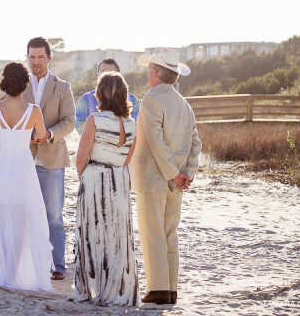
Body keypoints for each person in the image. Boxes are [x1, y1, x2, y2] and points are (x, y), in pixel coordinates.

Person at [130, 48, 202, 305]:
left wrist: (173, 174)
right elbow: (196, 143)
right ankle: (170, 289)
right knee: (170, 234)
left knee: (153, 234)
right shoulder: (185, 104)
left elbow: (156, 142)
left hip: (154, 178)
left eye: (149, 69)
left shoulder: (150, 100)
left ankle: (159, 289)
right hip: (178, 181)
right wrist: (187, 174)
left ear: (154, 72)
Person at [0, 61, 54, 291]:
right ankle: (16, 272)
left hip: (0, 169)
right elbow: (42, 135)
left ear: (4, 82)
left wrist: (3, 154)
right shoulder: (34, 110)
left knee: (1, 220)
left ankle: (4, 272)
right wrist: (28, 140)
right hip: (23, 168)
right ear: (25, 84)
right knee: (23, 220)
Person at [74, 71, 141, 306]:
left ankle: (95, 289)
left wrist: (86, 178)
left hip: (95, 179)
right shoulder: (132, 124)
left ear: (99, 94)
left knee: (94, 235)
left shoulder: (95, 120)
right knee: (117, 236)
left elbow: (81, 158)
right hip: (120, 181)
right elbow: (127, 159)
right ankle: (118, 290)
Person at [23, 37, 75, 280]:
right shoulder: (20, 85)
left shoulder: (62, 87)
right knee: (26, 212)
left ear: (49, 58)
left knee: (53, 215)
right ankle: (31, 263)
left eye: (40, 56)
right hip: (23, 159)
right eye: (32, 57)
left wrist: (48, 134)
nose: (36, 61)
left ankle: (57, 266)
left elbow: (69, 122)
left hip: (52, 159)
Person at [75, 58, 140, 135]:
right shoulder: (85, 99)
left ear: (118, 75)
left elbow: (136, 126)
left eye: (110, 72)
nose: (105, 75)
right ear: (97, 74)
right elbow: (80, 126)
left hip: (125, 146)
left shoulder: (132, 100)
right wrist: (106, 138)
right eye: (102, 72)